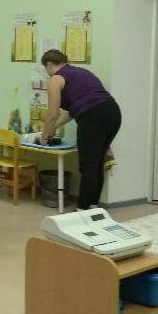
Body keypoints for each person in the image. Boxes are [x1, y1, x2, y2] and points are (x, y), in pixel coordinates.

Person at [39, 49, 121, 210]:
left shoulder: (56, 79)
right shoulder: (81, 72)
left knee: (88, 166)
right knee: (97, 163)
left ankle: (82, 210)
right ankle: (93, 206)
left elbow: (52, 114)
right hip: (113, 113)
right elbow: (73, 111)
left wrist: (45, 136)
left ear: (48, 64)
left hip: (92, 118)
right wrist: (54, 128)